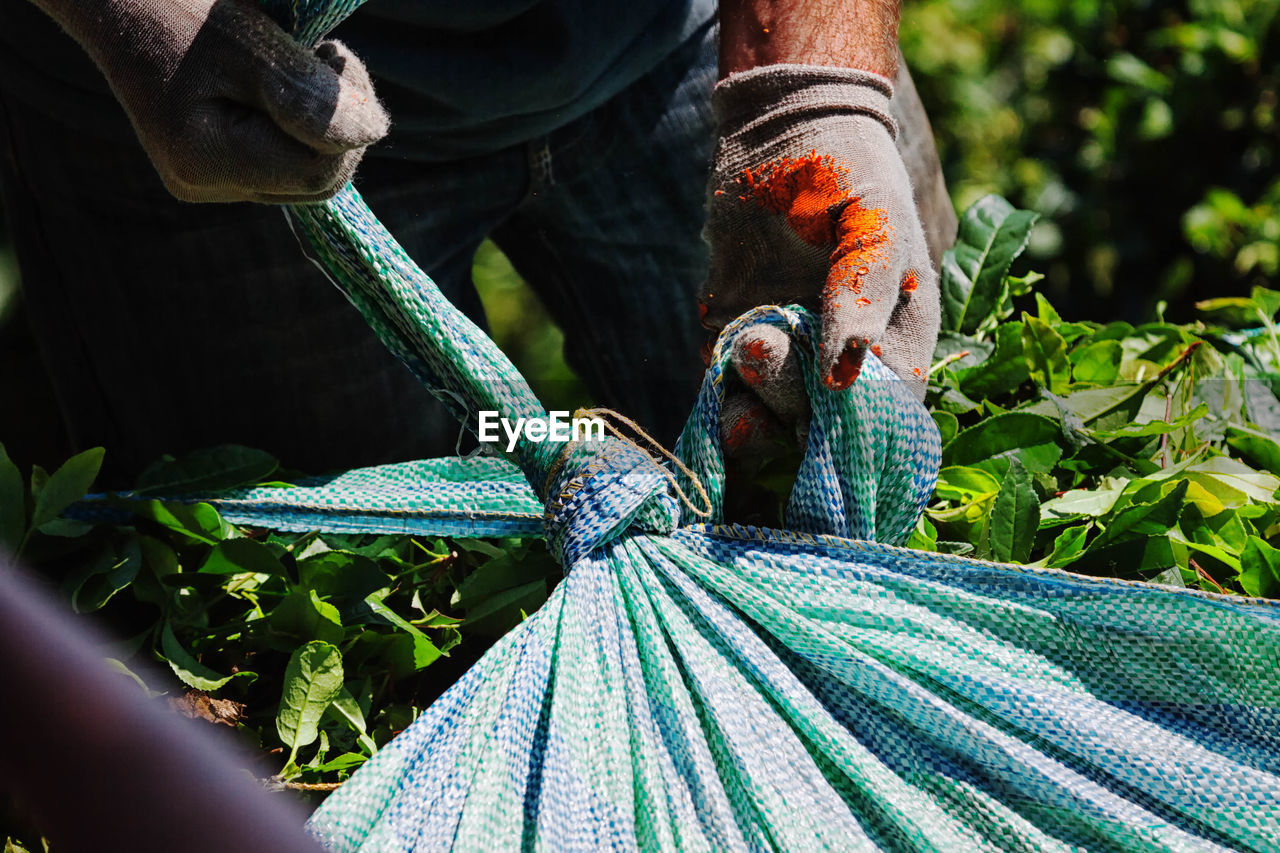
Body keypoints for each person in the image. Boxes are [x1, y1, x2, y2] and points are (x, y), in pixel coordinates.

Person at [0, 0, 955, 487]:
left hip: (683, 41)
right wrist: (130, 19)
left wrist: (816, 89)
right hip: (237, 85)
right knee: (339, 579)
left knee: (881, 439)